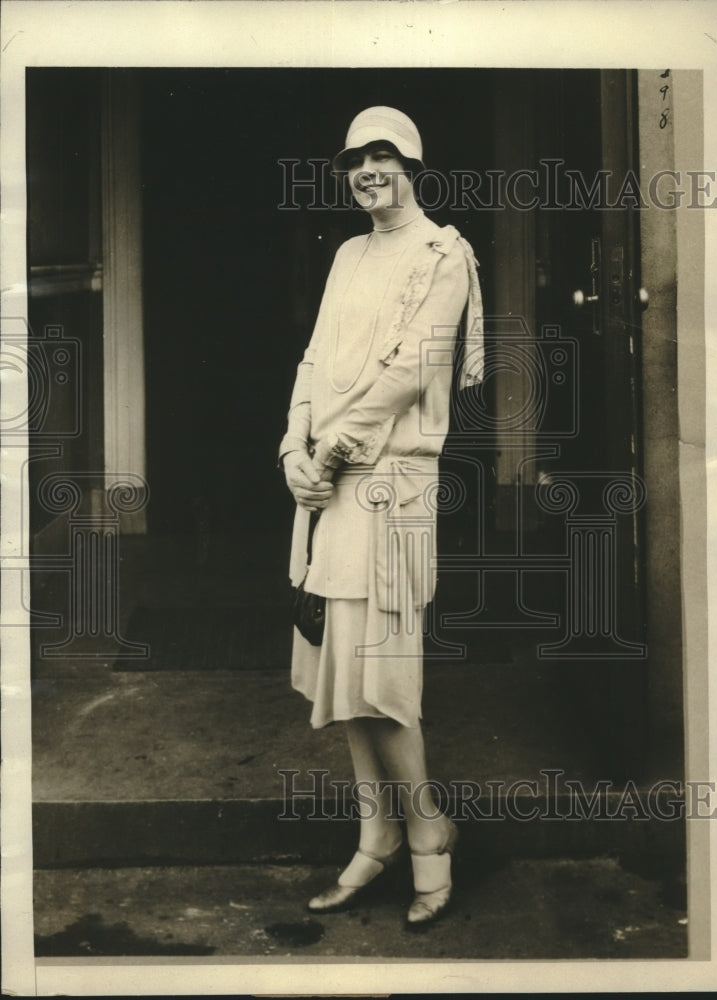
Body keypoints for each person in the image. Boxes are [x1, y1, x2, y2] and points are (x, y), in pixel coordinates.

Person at [279, 106, 483, 927]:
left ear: (411, 165)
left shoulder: (444, 255)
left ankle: (428, 832)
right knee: (342, 681)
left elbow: (410, 372)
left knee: (386, 684)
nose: (366, 171)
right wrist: (292, 444)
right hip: (325, 490)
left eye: (382, 157)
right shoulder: (347, 254)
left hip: (389, 487)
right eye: (355, 160)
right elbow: (315, 358)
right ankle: (377, 837)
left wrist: (329, 455)